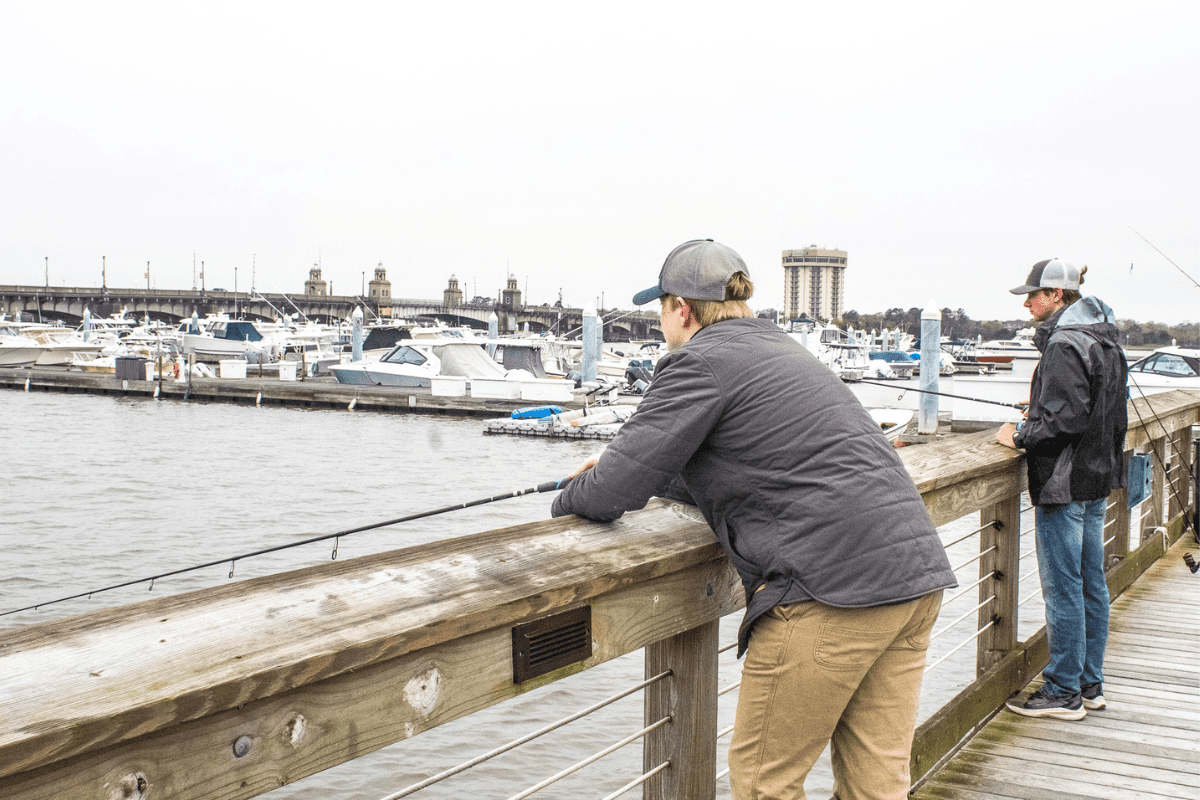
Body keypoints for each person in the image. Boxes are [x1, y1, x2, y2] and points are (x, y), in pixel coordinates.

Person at [552, 239, 956, 800]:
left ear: (682, 310)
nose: (661, 323)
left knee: (766, 783)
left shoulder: (697, 361)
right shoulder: (781, 350)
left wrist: (570, 496)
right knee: (877, 786)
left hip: (829, 591)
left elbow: (612, 491)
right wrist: (640, 477)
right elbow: (755, 464)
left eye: (661, 309)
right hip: (913, 577)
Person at [997, 258, 1128, 720]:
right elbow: (1100, 410)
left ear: (1057, 296)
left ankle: (1063, 690)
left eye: (1033, 294)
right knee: (1091, 584)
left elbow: (1063, 423)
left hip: (1063, 484)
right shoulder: (1104, 336)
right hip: (1096, 480)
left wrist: (1017, 434)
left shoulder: (1065, 342)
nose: (1027, 302)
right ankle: (1090, 684)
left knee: (1064, 588)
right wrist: (1040, 404)